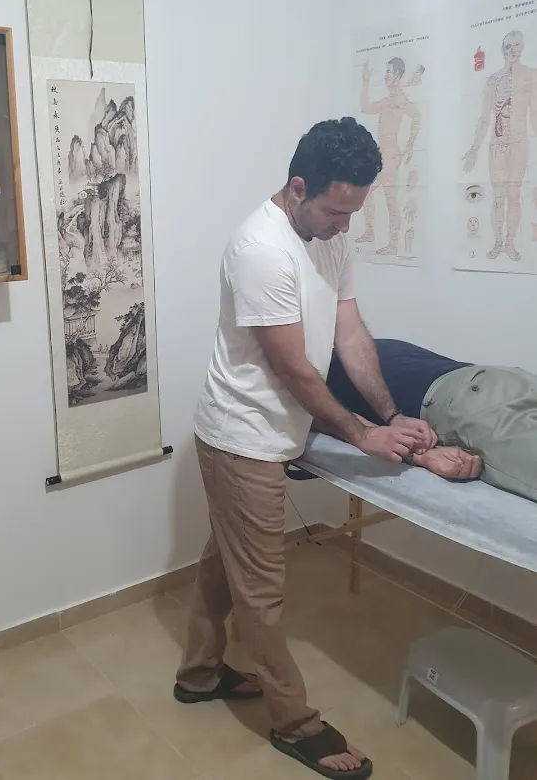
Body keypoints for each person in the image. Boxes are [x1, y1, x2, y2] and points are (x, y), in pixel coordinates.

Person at [175, 118, 436, 780]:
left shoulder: (329, 236)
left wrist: (390, 414)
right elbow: (292, 368)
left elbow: (350, 333)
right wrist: (361, 434)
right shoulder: (260, 249)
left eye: (353, 212)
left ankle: (198, 674)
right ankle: (294, 724)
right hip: (241, 438)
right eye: (336, 211)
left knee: (226, 560)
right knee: (261, 590)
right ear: (298, 188)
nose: (345, 226)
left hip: (271, 430)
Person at [326, 338, 537, 501]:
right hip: (506, 379)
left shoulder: (320, 380)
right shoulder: (376, 344)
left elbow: (342, 425)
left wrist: (420, 456)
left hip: (467, 404)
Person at [462, 30, 537, 262]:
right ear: (502, 50)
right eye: (508, 46)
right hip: (497, 146)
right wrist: (474, 148)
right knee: (498, 197)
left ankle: (510, 244)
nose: (512, 50)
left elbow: (535, 114)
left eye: (516, 45)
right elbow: (484, 118)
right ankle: (497, 243)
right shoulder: (493, 80)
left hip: (519, 143)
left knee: (514, 196)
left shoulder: (531, 75)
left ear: (522, 47)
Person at [357, 57, 422, 256]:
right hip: (382, 154)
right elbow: (365, 108)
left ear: (397, 75)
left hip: (391, 155)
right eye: (385, 71)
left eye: (389, 72)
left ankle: (393, 244)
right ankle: (370, 232)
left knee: (390, 199)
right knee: (367, 191)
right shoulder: (388, 100)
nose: (385, 76)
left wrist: (410, 143)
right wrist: (366, 82)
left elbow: (416, 115)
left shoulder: (399, 99)